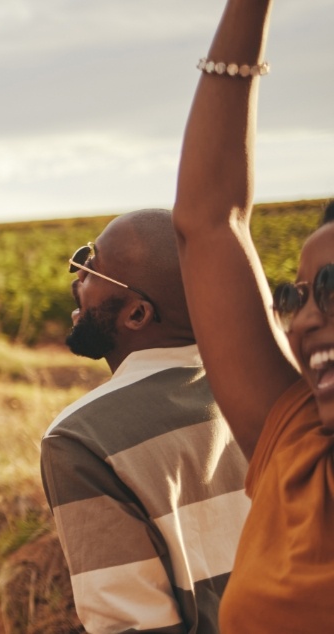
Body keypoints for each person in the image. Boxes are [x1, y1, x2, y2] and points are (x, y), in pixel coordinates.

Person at [172, 0, 334, 630]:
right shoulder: (296, 452)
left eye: (333, 288)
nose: (304, 321)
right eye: (294, 297)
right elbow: (210, 223)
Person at [40, 209, 249, 633]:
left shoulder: (80, 439)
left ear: (137, 315)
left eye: (90, 267)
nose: (75, 276)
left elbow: (131, 624)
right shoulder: (264, 392)